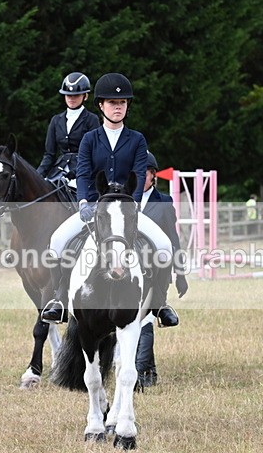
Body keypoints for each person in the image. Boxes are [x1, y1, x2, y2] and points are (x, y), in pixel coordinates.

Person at [40, 73, 179, 328]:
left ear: (127, 106)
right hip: (95, 208)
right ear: (101, 106)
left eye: (123, 102)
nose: (118, 107)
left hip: (126, 210)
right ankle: (59, 300)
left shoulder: (137, 140)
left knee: (164, 246)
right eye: (112, 103)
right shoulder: (90, 139)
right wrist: (83, 203)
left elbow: (138, 174)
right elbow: (82, 173)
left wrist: (134, 206)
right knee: (57, 241)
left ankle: (160, 303)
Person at [136, 151, 188, 387]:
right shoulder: (125, 199)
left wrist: (180, 274)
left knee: (146, 317)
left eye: (142, 173)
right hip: (129, 269)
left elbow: (173, 240)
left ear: (153, 175)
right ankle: (150, 372)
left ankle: (139, 373)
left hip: (156, 271)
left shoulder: (164, 203)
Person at [36, 72, 100, 182]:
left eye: (76, 95)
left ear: (85, 96)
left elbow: (93, 153)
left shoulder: (92, 119)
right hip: (58, 170)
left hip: (83, 171)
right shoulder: (56, 120)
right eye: (68, 95)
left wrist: (75, 173)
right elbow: (49, 155)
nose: (71, 98)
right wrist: (36, 175)